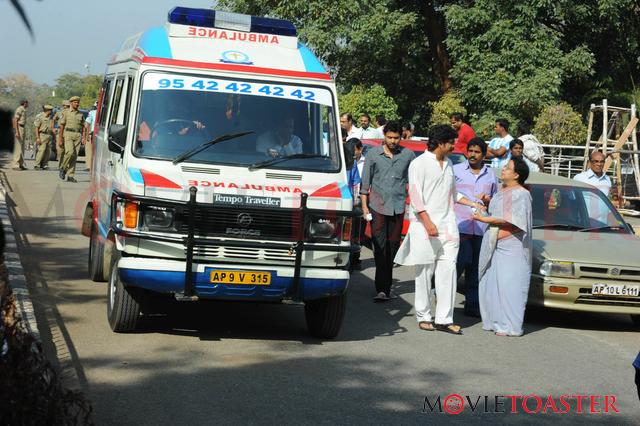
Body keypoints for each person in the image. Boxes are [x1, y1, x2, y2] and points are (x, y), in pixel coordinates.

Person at [394, 125, 483, 334]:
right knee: (424, 272)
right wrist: (427, 222)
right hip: (424, 227)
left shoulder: (450, 163)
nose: (454, 146)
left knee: (448, 270)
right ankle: (424, 315)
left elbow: (454, 194)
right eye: (451, 142)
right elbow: (415, 197)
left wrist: (473, 204)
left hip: (448, 226)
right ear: (440, 143)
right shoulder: (419, 164)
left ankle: (444, 318)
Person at [474, 157, 532, 336]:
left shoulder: (521, 194)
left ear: (516, 175)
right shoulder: (503, 191)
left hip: (512, 246)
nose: (504, 169)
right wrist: (487, 202)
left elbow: (512, 220)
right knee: (493, 284)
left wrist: (483, 219)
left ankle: (510, 326)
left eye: (508, 167)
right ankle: (496, 322)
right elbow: (499, 212)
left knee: (510, 286)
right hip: (495, 243)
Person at [360, 121, 415, 302]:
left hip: (398, 207)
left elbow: (414, 182)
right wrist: (364, 206)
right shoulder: (373, 154)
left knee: (392, 248)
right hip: (377, 207)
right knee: (379, 246)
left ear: (402, 136)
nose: (392, 141)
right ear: (384, 136)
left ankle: (386, 287)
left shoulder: (408, 155)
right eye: (389, 137)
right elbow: (365, 183)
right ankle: (382, 288)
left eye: (396, 138)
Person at [453, 138, 498, 317]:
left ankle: (472, 305)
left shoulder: (491, 175)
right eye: (470, 151)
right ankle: (441, 295)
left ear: (484, 154)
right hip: (460, 225)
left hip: (480, 228)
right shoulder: (456, 171)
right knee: (459, 262)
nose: (472, 154)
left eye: (477, 152)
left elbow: (496, 200)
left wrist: (488, 201)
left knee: (476, 268)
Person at [58, 96, 87, 183]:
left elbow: (84, 126)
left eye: (78, 102)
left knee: (74, 156)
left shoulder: (80, 114)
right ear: (71, 103)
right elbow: (62, 126)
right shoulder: (66, 113)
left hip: (78, 135)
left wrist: (84, 137)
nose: (77, 104)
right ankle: (63, 167)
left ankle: (70, 175)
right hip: (68, 134)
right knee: (69, 152)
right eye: (75, 102)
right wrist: (60, 138)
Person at [33, 105, 54, 170]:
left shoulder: (51, 117)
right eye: (50, 110)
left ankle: (45, 165)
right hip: (42, 135)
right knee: (41, 150)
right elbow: (36, 128)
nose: (51, 111)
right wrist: (37, 138)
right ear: (47, 110)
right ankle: (37, 165)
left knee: (48, 151)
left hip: (49, 135)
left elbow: (52, 127)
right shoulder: (40, 117)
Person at [53, 100, 70, 170]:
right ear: (63, 106)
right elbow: (53, 119)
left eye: (69, 106)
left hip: (67, 131)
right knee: (60, 150)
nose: (68, 107)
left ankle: (65, 166)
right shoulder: (59, 112)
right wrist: (53, 127)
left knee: (68, 149)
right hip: (60, 131)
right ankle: (60, 165)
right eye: (66, 106)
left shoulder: (70, 113)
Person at [11, 99, 29, 170]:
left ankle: (21, 164)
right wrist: (16, 131)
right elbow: (15, 120)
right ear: (24, 103)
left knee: (22, 147)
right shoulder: (19, 109)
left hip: (23, 128)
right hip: (19, 127)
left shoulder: (24, 110)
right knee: (18, 147)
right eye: (27, 103)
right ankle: (15, 165)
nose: (28, 104)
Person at [84, 101, 97, 172]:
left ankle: (89, 166)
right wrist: (87, 135)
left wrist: (86, 135)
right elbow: (87, 124)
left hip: (93, 133)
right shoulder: (92, 112)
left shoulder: (92, 112)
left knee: (89, 150)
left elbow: (87, 124)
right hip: (93, 133)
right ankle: (90, 166)